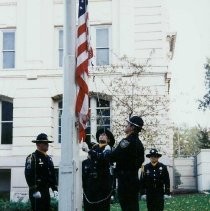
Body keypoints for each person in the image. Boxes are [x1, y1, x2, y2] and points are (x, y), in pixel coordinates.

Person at [89, 115, 145, 211]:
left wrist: (91, 151)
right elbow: (139, 161)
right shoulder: (139, 143)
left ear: (132, 127)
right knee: (133, 207)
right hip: (133, 180)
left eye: (128, 124)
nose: (126, 125)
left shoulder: (126, 141)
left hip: (125, 182)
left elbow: (111, 157)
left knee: (127, 207)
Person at [82, 128, 115, 211]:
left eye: (104, 135)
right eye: (100, 135)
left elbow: (103, 158)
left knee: (102, 208)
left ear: (108, 139)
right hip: (91, 185)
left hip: (103, 185)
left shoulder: (109, 149)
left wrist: (89, 151)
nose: (101, 136)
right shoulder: (94, 148)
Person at [24, 133, 58, 211]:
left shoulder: (48, 158)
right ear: (38, 144)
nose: (47, 145)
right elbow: (28, 174)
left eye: (47, 143)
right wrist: (34, 190)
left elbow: (52, 174)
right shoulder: (32, 157)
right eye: (45, 143)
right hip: (37, 190)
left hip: (46, 190)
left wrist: (54, 188)